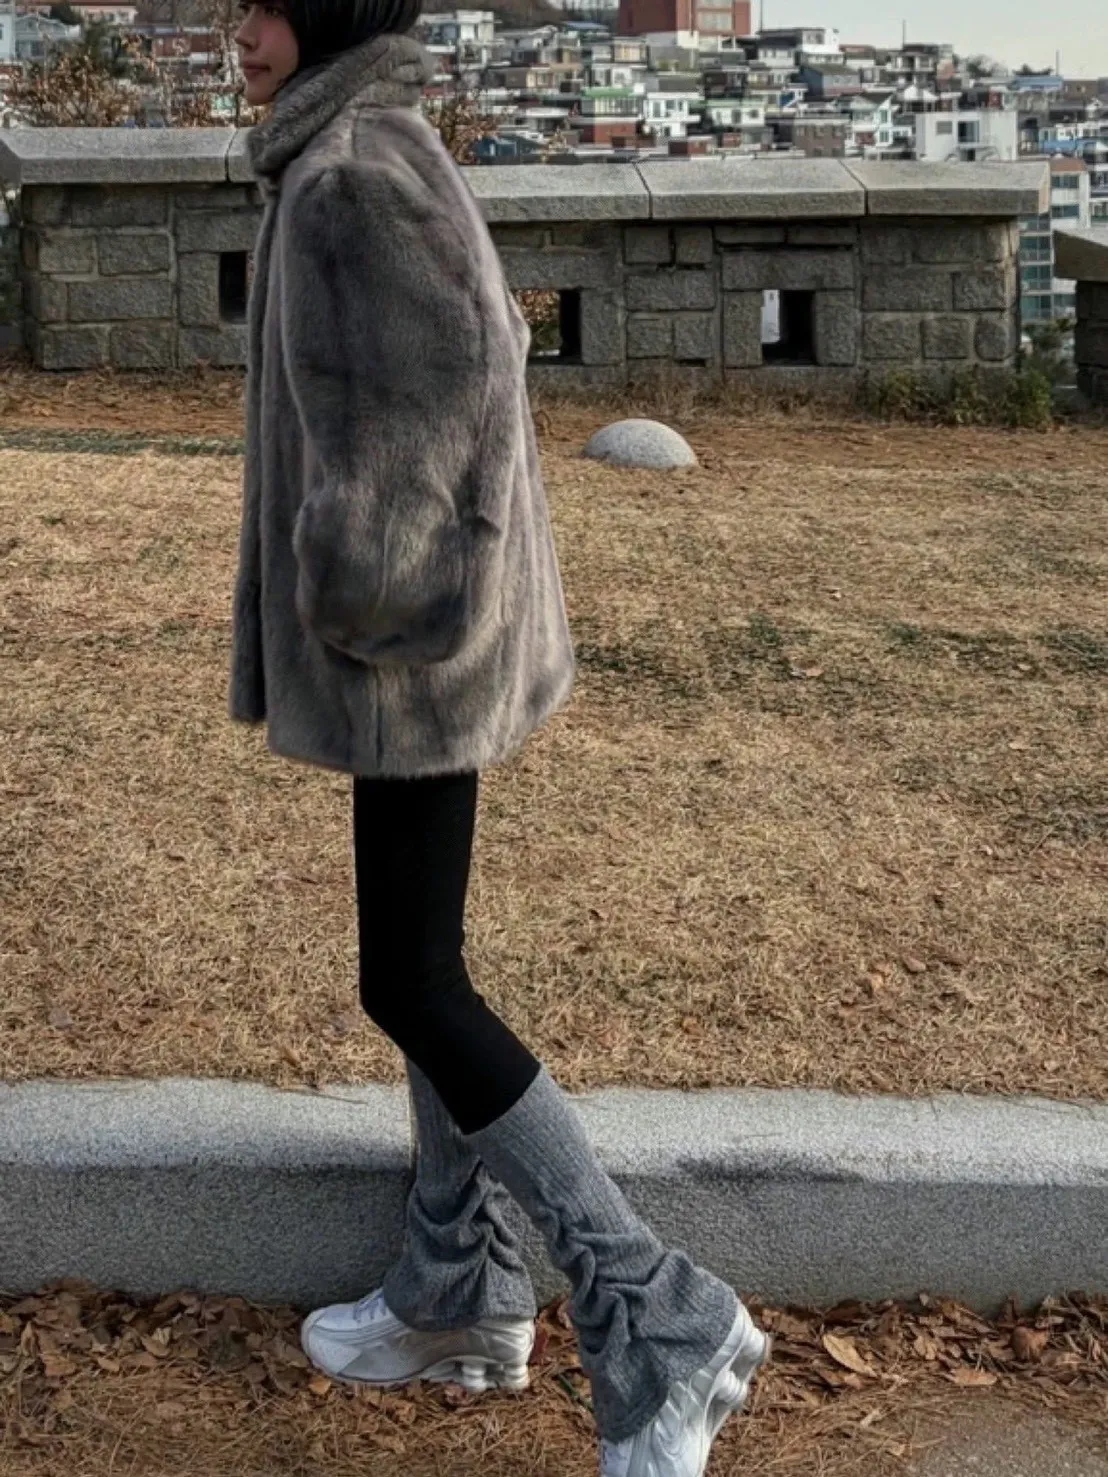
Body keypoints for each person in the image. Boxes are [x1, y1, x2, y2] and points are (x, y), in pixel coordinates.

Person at [229, 2, 770, 1472]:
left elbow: (443, 389)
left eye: (262, 5)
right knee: (422, 968)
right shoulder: (360, 144)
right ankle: (458, 1283)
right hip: (423, 642)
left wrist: (361, 586)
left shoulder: (352, 170)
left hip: (407, 643)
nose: (238, 34)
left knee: (409, 980)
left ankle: (653, 1308)